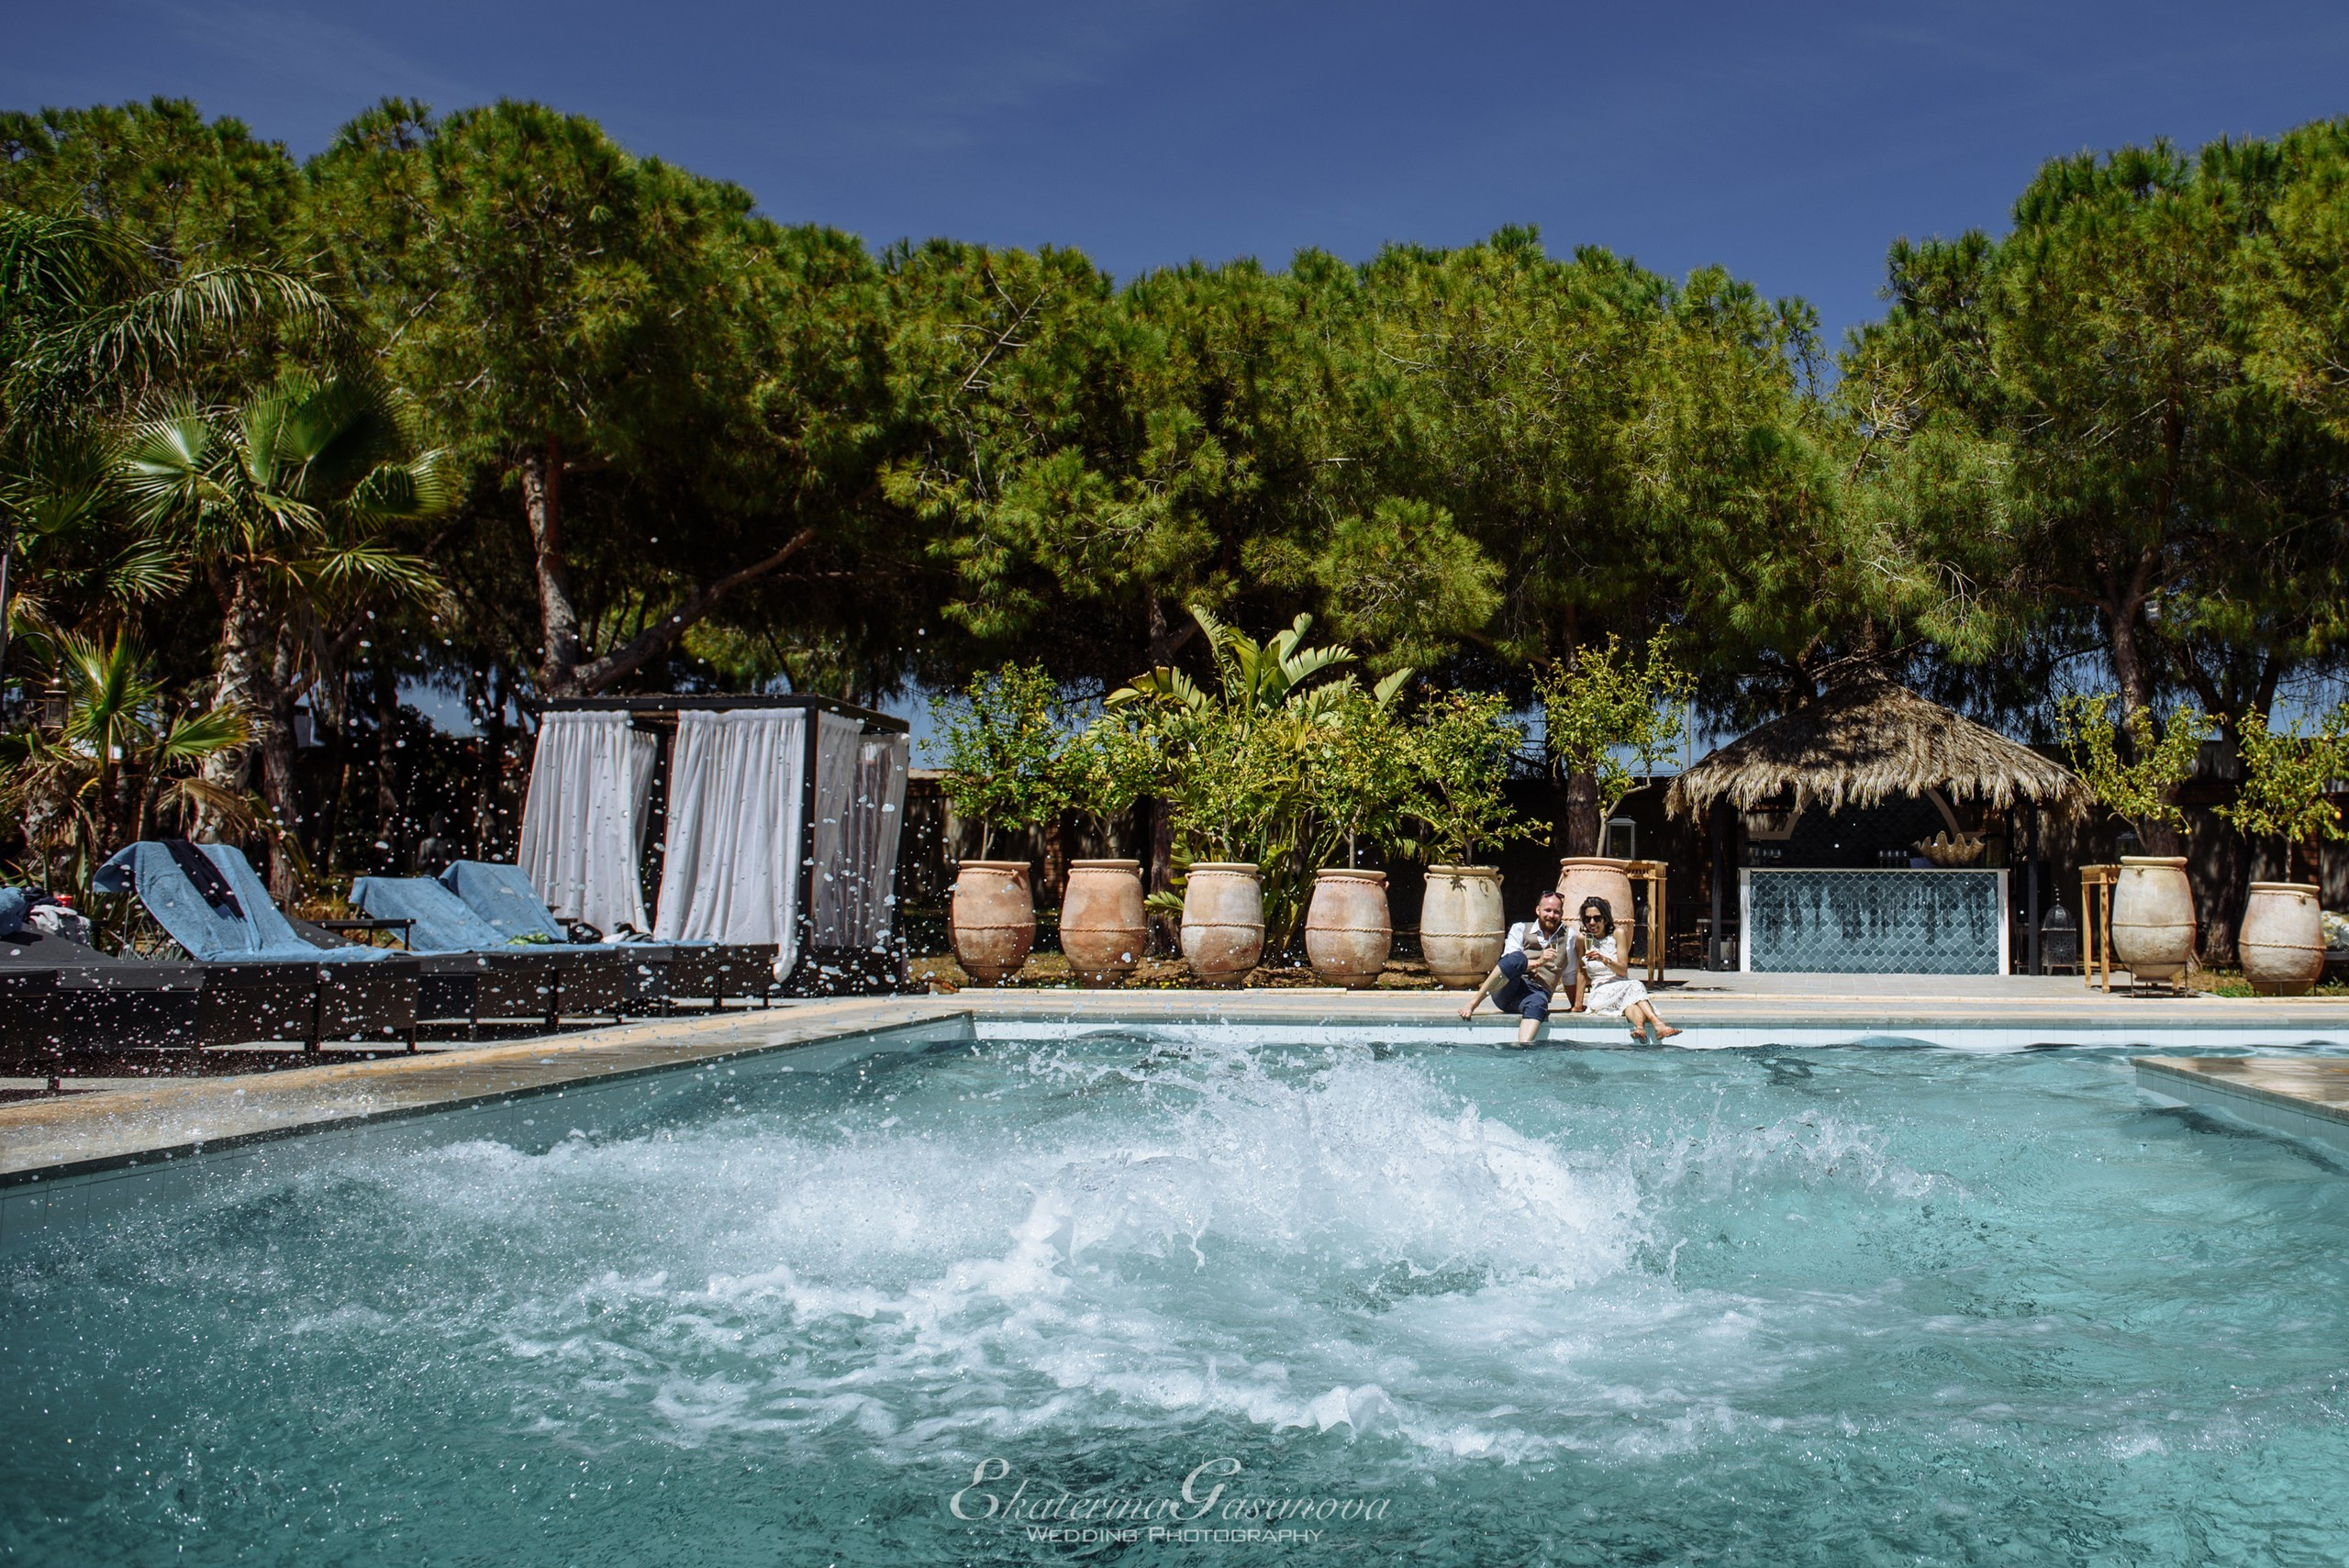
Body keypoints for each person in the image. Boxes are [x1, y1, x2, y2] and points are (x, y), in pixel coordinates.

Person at [1457, 890, 1576, 1046]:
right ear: (1538, 910)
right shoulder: (1520, 929)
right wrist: (1539, 962)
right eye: (1547, 910)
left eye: (1556, 912)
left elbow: (1569, 974)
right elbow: (1509, 965)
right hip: (1507, 989)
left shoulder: (1569, 936)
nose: (1551, 915)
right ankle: (1473, 1003)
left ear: (1562, 914)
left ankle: (1522, 1049)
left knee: (1540, 1003)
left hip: (1536, 994)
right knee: (1517, 958)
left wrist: (1575, 1005)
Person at [1573, 895, 1680, 1041]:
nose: (1592, 923)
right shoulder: (1582, 939)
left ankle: (1640, 1028)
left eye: (1597, 918)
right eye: (1588, 919)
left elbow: (1623, 970)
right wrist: (1577, 1005)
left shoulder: (1618, 934)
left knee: (1630, 1002)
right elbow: (1581, 971)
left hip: (1622, 984)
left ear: (1605, 919)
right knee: (1635, 986)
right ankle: (1658, 1024)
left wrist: (1603, 959)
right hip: (1601, 992)